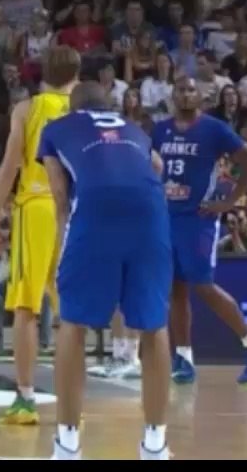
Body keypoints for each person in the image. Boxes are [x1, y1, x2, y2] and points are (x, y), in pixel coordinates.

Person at [37, 82, 172, 460]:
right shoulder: (134, 129)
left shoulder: (56, 129)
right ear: (108, 105)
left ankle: (67, 444)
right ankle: (155, 444)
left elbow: (61, 196)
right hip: (150, 211)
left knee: (72, 323)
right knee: (154, 325)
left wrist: (63, 248)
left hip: (95, 212)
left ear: (71, 107)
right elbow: (158, 167)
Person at [153, 75, 247, 385]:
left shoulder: (213, 129)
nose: (185, 94)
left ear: (200, 97)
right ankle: (183, 359)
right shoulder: (159, 130)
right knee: (175, 289)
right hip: (166, 217)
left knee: (203, 286)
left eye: (191, 89)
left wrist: (230, 201)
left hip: (199, 219)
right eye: (180, 89)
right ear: (173, 94)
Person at [0, 45, 82, 425]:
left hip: (36, 207)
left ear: (42, 73)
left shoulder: (26, 109)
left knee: (26, 308)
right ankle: (71, 406)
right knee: (70, 312)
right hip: (75, 212)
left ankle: (25, 399)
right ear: (77, 73)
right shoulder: (84, 111)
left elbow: (9, 167)